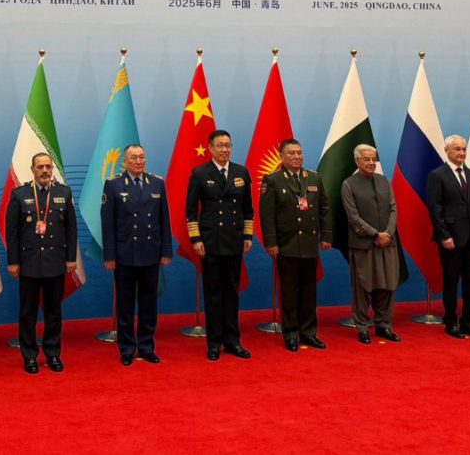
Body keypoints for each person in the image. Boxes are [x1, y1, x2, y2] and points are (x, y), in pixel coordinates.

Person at [5, 153, 78, 374]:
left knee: (54, 311)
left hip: (55, 262)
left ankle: (53, 353)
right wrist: (13, 262)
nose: (45, 171)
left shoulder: (64, 193)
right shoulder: (20, 194)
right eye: (40, 167)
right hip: (28, 263)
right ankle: (29, 356)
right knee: (27, 312)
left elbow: (71, 230)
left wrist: (71, 258)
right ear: (33, 169)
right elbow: (12, 232)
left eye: (48, 167)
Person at [186, 130, 255, 361]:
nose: (225, 149)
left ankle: (233, 341)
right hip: (210, 242)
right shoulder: (200, 173)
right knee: (214, 293)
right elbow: (190, 211)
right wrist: (196, 239)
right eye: (220, 145)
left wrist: (247, 236)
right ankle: (214, 343)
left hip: (234, 240)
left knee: (232, 292)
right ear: (210, 148)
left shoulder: (241, 172)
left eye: (228, 145)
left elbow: (248, 209)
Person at [101, 144, 172, 366]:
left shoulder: (157, 183)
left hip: (150, 253)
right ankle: (127, 348)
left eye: (142, 157)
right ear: (124, 162)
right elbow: (107, 223)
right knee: (125, 305)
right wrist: (110, 255)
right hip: (124, 254)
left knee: (149, 304)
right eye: (133, 158)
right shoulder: (113, 185)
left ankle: (147, 347)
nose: (139, 161)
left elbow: (164, 219)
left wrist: (166, 250)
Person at [259, 139, 331, 352]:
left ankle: (309, 333)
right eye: (291, 153)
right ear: (281, 157)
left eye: (299, 152)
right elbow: (266, 214)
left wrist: (326, 236)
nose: (297, 156)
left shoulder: (314, 178)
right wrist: (271, 242)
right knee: (289, 293)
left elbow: (324, 209)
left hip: (309, 243)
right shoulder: (273, 180)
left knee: (309, 292)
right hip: (286, 244)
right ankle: (290, 334)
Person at [426, 135, 470, 339]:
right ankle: (450, 321)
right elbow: (435, 209)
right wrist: (444, 235)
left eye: (464, 149)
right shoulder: (437, 175)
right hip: (451, 240)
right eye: (457, 149)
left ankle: (468, 321)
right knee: (451, 282)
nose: (461, 153)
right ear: (447, 151)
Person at [341, 145, 402, 344]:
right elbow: (353, 217)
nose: (371, 163)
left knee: (387, 286)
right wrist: (375, 234)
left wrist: (388, 233)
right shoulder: (349, 184)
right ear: (357, 161)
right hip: (364, 245)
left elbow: (393, 208)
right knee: (363, 288)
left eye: (373, 159)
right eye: (366, 159)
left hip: (387, 243)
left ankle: (384, 326)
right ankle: (363, 328)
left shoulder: (384, 181)